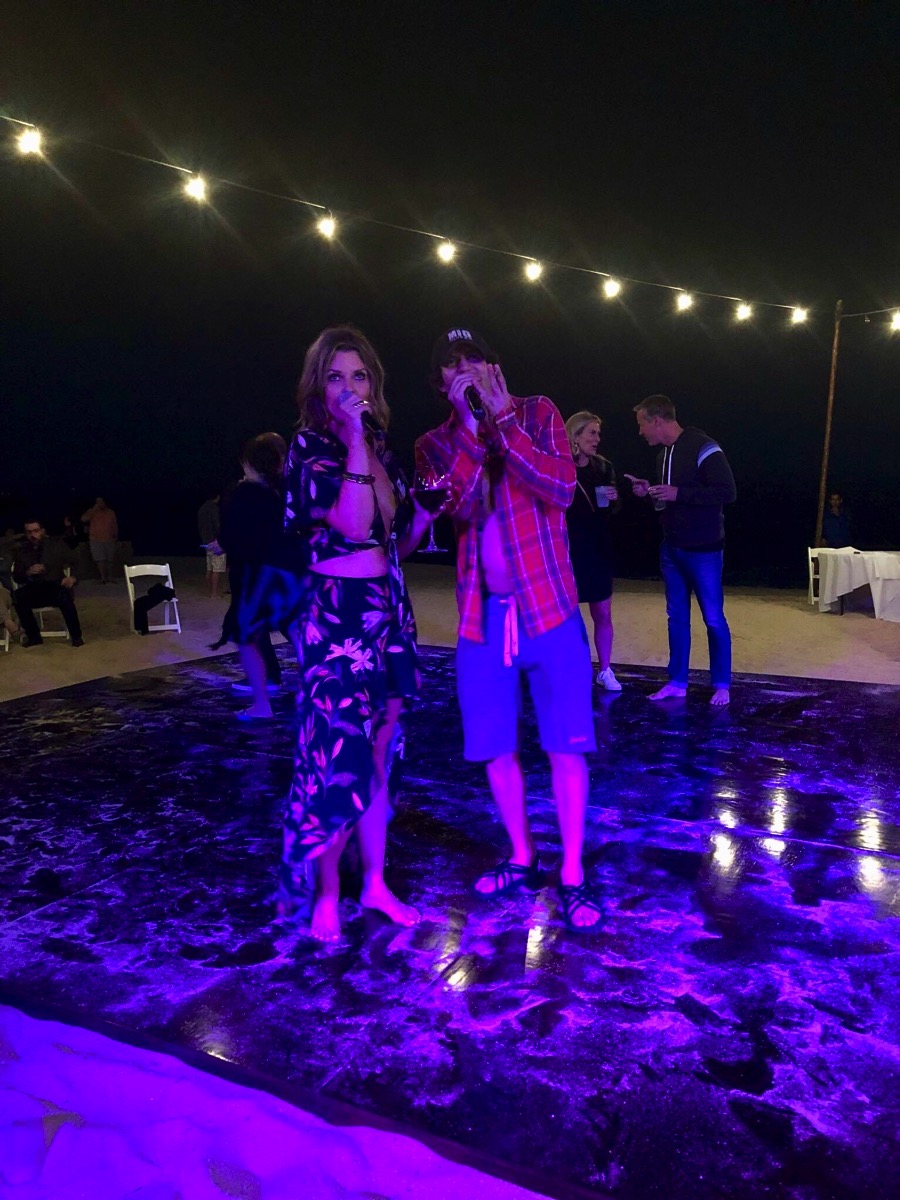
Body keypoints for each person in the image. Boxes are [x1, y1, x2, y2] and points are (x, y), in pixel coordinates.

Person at [415, 327, 601, 932]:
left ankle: (571, 870)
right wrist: (474, 433)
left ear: (496, 366)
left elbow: (561, 488)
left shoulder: (540, 413)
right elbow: (459, 506)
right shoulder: (434, 444)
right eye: (453, 365)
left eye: (476, 358)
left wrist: (502, 420)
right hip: (483, 617)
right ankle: (523, 856)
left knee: (566, 743)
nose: (466, 369)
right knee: (495, 746)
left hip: (550, 609)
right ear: (440, 383)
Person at [279, 325, 438, 943]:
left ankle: (374, 882)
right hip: (336, 618)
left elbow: (392, 537)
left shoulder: (378, 447)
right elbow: (350, 523)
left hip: (384, 612)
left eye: (359, 375)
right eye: (336, 376)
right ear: (318, 385)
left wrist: (425, 516)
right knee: (334, 757)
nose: (349, 387)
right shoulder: (310, 448)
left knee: (379, 756)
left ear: (373, 383)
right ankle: (326, 893)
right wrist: (351, 438)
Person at [625, 394, 736, 706]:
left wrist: (678, 493)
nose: (640, 432)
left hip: (704, 550)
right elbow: (669, 502)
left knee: (712, 616)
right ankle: (677, 682)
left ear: (657, 420)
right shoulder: (663, 456)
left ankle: (722, 683)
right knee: (676, 617)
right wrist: (652, 493)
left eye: (641, 424)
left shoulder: (704, 446)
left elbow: (727, 492)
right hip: (672, 548)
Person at [212, 434, 300, 720]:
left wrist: (223, 542)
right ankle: (319, 692)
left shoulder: (245, 493)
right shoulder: (287, 490)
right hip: (287, 574)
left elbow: (235, 534)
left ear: (248, 462)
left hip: (255, 575)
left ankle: (262, 704)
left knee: (248, 635)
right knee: (297, 630)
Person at [565, 410, 622, 692]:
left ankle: (605, 670)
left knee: (602, 613)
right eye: (592, 433)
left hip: (598, 548)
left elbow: (612, 510)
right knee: (567, 616)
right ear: (575, 436)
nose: (597, 439)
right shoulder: (560, 466)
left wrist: (614, 499)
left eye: (598, 433)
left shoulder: (603, 467)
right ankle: (572, 667)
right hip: (567, 550)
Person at [12, 519, 84, 647]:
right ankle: (34, 637)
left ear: (42, 531)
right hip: (34, 588)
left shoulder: (56, 545)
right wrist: (28, 572)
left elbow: (78, 562)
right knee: (18, 596)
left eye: (35, 531)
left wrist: (73, 578)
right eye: (29, 532)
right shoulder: (22, 551)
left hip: (55, 586)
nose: (33, 535)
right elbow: (17, 577)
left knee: (65, 595)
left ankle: (76, 636)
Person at [80, 497, 118, 583]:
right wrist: (93, 510)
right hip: (96, 539)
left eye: (101, 502)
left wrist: (115, 535)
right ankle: (103, 578)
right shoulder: (92, 512)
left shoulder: (111, 512)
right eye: (97, 502)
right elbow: (83, 519)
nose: (99, 504)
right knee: (100, 559)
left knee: (110, 559)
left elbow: (114, 524)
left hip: (109, 539)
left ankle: (110, 577)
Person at [198, 491, 227, 597]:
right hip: (215, 542)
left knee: (209, 568)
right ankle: (213, 593)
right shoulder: (214, 508)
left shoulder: (202, 508)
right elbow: (217, 526)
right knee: (216, 569)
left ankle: (210, 590)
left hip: (206, 542)